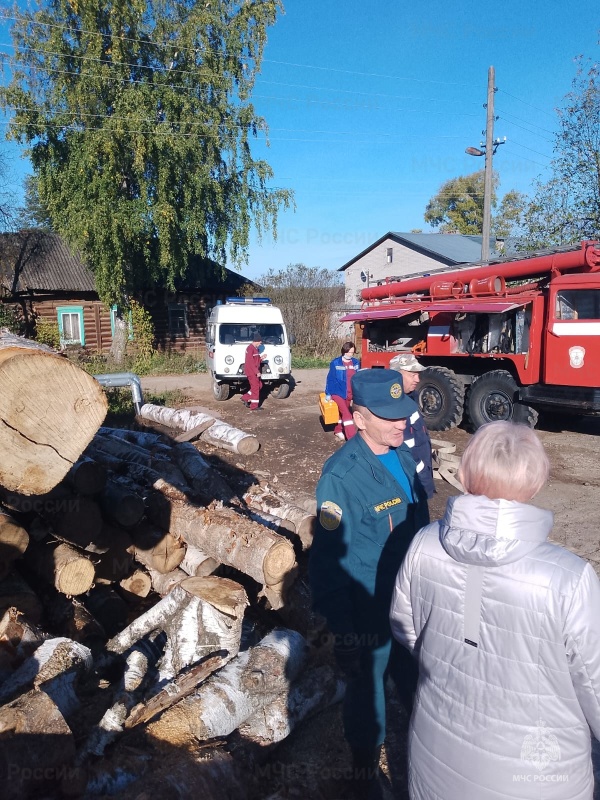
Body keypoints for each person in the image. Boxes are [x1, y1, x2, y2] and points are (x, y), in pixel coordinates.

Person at [389, 421, 600, 800]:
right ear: (535, 484)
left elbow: (405, 628)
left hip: (437, 757)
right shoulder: (570, 578)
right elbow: (595, 685)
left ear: (466, 474)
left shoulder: (423, 543)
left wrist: (455, 662)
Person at [310, 369, 430, 799]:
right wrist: (344, 630)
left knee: (419, 683)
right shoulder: (340, 478)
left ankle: (427, 760)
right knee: (368, 693)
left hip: (410, 604)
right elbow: (327, 563)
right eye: (388, 416)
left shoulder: (401, 455)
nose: (401, 422)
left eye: (403, 413)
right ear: (359, 418)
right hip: (370, 608)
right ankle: (365, 777)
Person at [389, 353, 434, 499]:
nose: (418, 379)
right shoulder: (393, 407)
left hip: (420, 481)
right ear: (397, 375)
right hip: (410, 485)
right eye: (412, 374)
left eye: (418, 374)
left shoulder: (410, 399)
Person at [325, 341, 360, 440]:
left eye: (352, 352)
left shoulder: (356, 362)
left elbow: (358, 376)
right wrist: (328, 393)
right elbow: (330, 379)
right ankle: (352, 439)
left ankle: (338, 430)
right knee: (347, 413)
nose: (350, 354)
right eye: (348, 352)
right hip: (338, 392)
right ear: (344, 351)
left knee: (342, 413)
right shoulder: (335, 363)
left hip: (349, 393)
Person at [241, 332, 266, 410]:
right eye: (260, 342)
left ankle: (245, 397)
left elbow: (255, 361)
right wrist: (257, 372)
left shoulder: (255, 349)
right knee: (255, 388)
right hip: (252, 372)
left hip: (253, 371)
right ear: (257, 341)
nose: (260, 344)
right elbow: (250, 363)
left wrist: (261, 358)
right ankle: (254, 406)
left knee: (259, 385)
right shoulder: (250, 348)